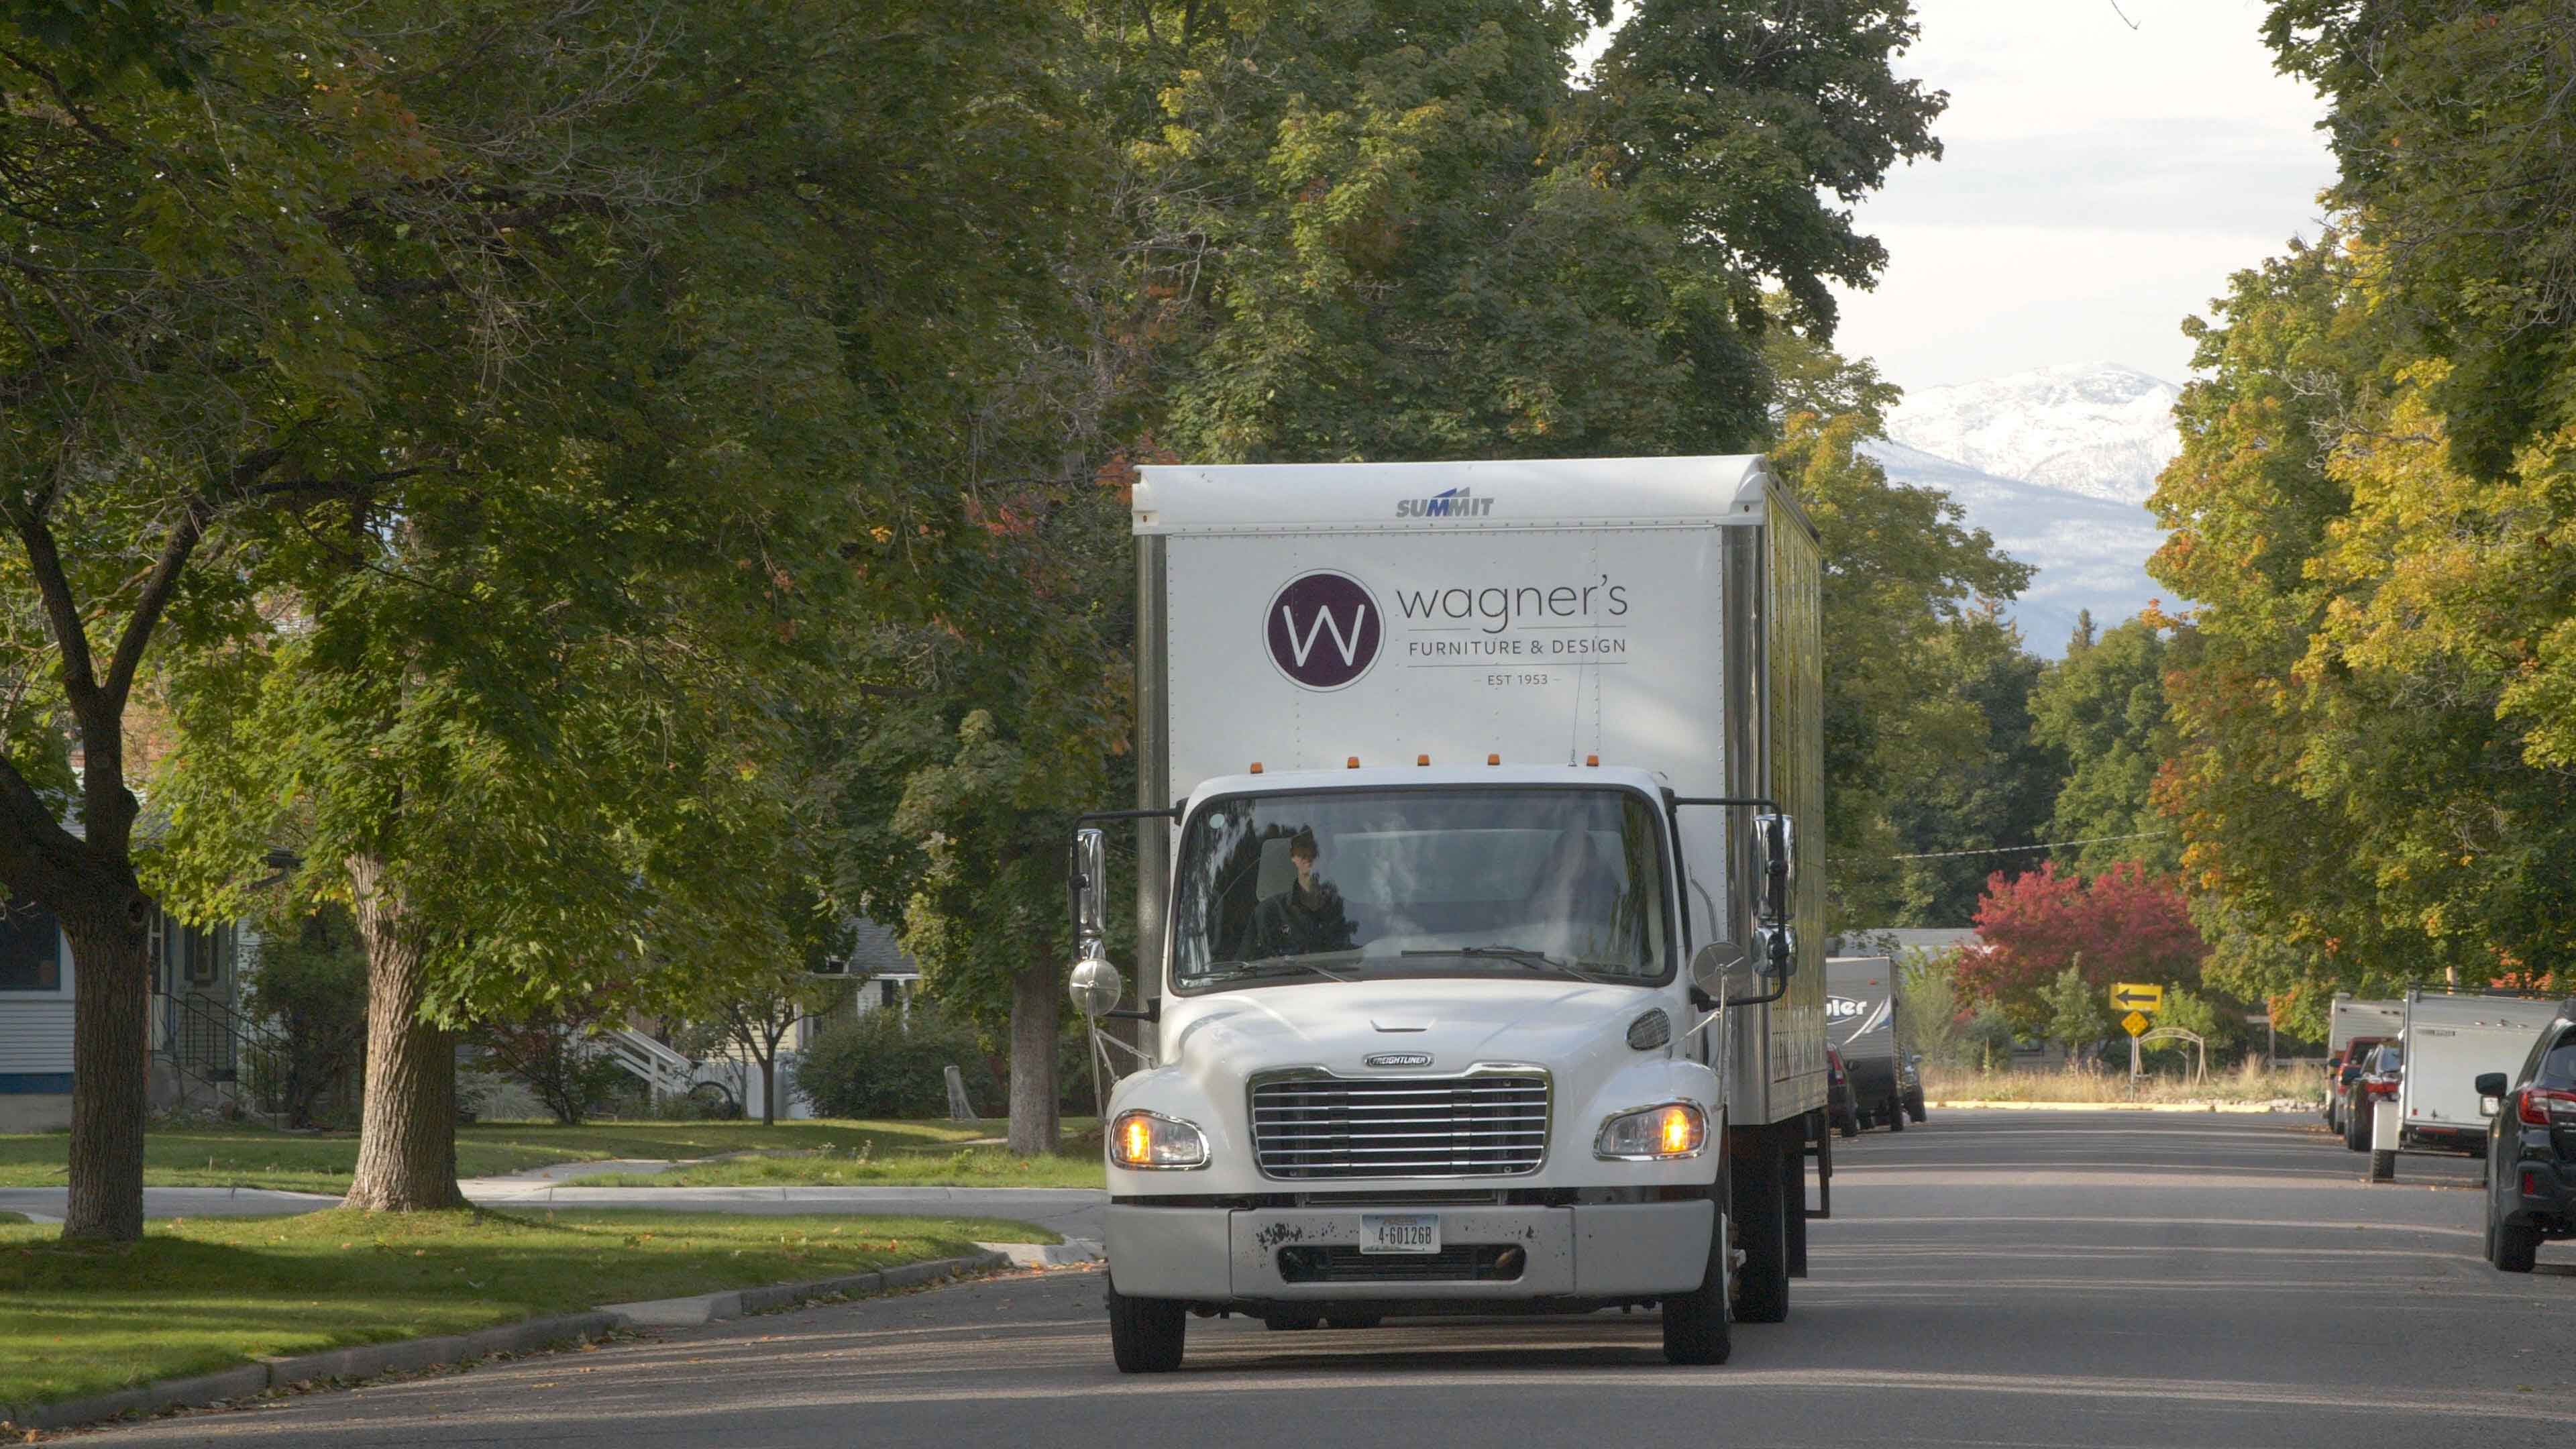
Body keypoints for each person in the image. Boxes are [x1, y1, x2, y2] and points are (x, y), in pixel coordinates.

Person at [1238, 829, 1355, 959]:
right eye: (1303, 848)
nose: (1309, 855)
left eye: (1317, 848)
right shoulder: (1266, 914)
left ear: (1331, 855)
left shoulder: (1351, 914)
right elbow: (1244, 968)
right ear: (1292, 856)